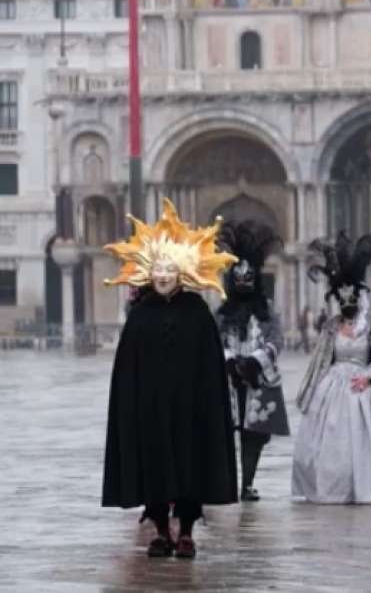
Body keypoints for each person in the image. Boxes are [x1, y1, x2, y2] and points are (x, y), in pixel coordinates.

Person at [101, 198, 239, 559]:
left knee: (190, 466)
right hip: (150, 411)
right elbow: (127, 373)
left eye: (169, 270)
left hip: (190, 410)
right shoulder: (140, 317)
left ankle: (188, 531)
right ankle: (161, 530)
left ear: (183, 273)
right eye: (157, 270)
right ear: (149, 272)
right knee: (155, 468)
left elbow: (210, 370)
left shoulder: (198, 315)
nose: (162, 276)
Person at [292, 233, 371, 504]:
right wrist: (311, 393)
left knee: (365, 442)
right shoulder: (330, 328)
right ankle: (333, 488)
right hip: (332, 389)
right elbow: (321, 361)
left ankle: (367, 487)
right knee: (328, 441)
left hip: (362, 387)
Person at [216, 220, 290, 502]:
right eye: (239, 278)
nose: (244, 282)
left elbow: (276, 340)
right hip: (229, 380)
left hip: (259, 380)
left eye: (249, 278)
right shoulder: (222, 312)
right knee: (225, 433)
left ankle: (247, 483)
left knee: (255, 435)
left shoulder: (267, 310)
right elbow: (216, 340)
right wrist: (230, 361)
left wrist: (256, 361)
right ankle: (227, 482)